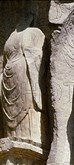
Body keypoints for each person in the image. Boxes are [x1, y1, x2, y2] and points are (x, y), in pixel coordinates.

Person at [0, 11, 45, 145]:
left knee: (28, 103)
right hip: (9, 76)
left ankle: (31, 139)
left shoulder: (35, 32)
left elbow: (39, 56)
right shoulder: (10, 37)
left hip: (25, 72)